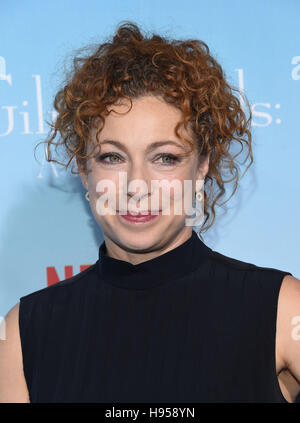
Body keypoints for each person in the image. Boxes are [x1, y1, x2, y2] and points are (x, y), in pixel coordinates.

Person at [0, 21, 299, 403]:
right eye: (112, 157)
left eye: (165, 158)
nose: (137, 185)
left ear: (202, 164)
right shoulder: (25, 334)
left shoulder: (282, 311)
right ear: (83, 168)